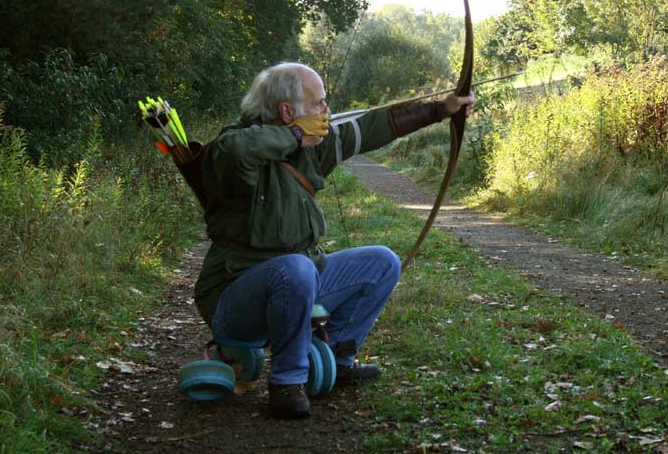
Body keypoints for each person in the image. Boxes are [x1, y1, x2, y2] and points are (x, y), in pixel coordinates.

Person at [193, 62, 476, 418]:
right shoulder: (233, 150)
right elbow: (235, 150)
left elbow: (371, 127)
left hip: (298, 281)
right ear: (286, 111)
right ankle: (286, 383)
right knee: (295, 269)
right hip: (236, 298)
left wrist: (440, 109)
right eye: (319, 104)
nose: (327, 111)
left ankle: (337, 359)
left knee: (381, 262)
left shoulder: (314, 148)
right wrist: (295, 136)